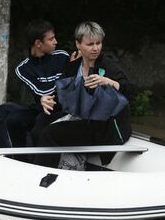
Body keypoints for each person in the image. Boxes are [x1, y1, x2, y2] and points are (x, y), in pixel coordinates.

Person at [34, 21, 133, 169]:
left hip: (103, 125)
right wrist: (44, 100)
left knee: (50, 133)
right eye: (90, 44)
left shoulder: (108, 66)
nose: (95, 48)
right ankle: (33, 166)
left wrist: (107, 82)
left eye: (98, 43)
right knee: (40, 122)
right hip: (80, 116)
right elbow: (61, 98)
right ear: (78, 44)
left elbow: (129, 90)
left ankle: (45, 173)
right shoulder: (73, 66)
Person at [0, 20, 70, 147]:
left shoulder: (63, 56)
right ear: (38, 43)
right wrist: (62, 79)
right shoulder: (23, 69)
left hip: (65, 108)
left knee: (41, 127)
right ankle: (21, 159)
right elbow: (43, 92)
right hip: (41, 109)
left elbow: (68, 84)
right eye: (51, 39)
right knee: (13, 119)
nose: (55, 42)